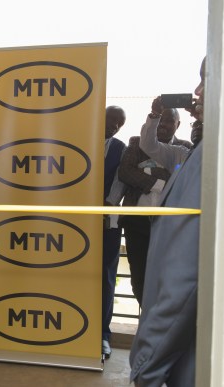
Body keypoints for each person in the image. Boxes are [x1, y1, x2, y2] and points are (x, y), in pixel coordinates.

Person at [129, 58, 205, 387]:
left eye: (206, 80)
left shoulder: (195, 155)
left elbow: (184, 279)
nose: (197, 93)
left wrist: (146, 362)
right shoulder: (181, 156)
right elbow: (148, 146)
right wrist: (154, 115)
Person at [118, 107, 191, 305]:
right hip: (137, 223)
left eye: (169, 121)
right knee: (139, 278)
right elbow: (125, 173)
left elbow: (182, 182)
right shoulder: (137, 142)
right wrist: (161, 182)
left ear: (178, 125)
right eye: (161, 120)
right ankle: (147, 324)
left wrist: (145, 175)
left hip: (169, 226)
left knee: (166, 277)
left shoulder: (185, 148)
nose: (164, 125)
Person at [102, 105, 127, 359]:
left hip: (107, 223)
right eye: (112, 120)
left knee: (106, 277)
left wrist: (106, 207)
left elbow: (119, 183)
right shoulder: (78, 139)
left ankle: (102, 335)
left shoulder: (121, 149)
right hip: (74, 220)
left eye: (119, 124)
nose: (114, 126)